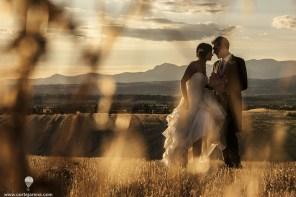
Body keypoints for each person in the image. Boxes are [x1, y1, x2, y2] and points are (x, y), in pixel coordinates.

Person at [162, 43, 225, 167]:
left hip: (201, 104)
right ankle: (182, 164)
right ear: (205, 53)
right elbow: (182, 81)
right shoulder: (193, 65)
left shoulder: (203, 66)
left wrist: (215, 85)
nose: (212, 54)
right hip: (190, 103)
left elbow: (203, 85)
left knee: (199, 133)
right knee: (184, 135)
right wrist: (186, 100)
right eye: (210, 53)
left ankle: (196, 164)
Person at [209, 36, 248, 168]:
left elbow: (244, 84)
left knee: (230, 134)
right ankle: (227, 163)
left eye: (215, 48)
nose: (213, 51)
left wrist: (225, 86)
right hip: (218, 105)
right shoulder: (215, 65)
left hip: (232, 104)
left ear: (223, 47)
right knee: (219, 135)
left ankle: (236, 163)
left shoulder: (238, 62)